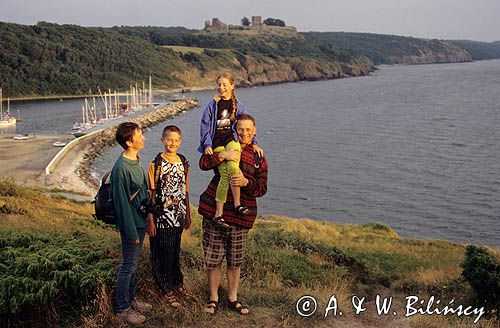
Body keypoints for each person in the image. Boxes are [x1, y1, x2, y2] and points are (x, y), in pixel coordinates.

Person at [198, 114, 268, 315]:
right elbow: (203, 163)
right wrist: (222, 156)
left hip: (240, 217)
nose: (244, 133)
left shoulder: (258, 156)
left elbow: (262, 188)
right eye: (241, 129)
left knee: (234, 261)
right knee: (213, 259)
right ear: (235, 129)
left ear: (254, 131)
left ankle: (232, 298)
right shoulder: (226, 145)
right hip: (215, 212)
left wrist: (247, 183)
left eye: (248, 130)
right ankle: (213, 298)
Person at [198, 72, 263, 228]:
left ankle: (230, 208)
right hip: (217, 143)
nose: (221, 87)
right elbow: (204, 125)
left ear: (232, 86)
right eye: (219, 84)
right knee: (227, 173)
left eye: (224, 84)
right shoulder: (212, 104)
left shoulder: (238, 105)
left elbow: (246, 124)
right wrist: (207, 145)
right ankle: (228, 209)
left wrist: (254, 142)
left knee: (232, 167)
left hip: (231, 140)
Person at [111, 122, 152, 325]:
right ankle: (122, 310)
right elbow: (121, 205)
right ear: (129, 142)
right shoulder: (121, 169)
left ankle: (132, 299)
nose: (142, 137)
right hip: (131, 225)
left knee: (133, 265)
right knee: (127, 266)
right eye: (139, 135)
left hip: (141, 221)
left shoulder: (135, 159)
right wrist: (131, 233)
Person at [146, 125, 191, 308]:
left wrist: (187, 214)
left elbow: (185, 190)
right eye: (169, 139)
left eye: (176, 140)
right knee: (161, 253)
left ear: (180, 141)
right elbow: (150, 194)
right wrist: (150, 220)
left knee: (174, 252)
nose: (172, 143)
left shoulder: (183, 162)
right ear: (162, 140)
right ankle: (164, 288)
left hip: (178, 216)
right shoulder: (156, 164)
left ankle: (176, 282)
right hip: (161, 217)